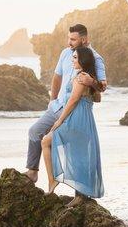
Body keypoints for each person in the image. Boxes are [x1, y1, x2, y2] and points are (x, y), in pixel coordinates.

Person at [23, 24, 107, 185]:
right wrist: (52, 100)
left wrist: (92, 82)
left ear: (84, 39)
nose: (69, 42)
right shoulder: (65, 53)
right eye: (68, 38)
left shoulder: (96, 58)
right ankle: (32, 171)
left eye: (73, 39)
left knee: (71, 149)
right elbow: (57, 77)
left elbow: (102, 86)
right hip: (57, 106)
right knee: (35, 131)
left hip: (74, 111)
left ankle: (78, 190)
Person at [41, 46, 104, 207]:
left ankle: (54, 180)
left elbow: (73, 100)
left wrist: (59, 121)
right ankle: (79, 194)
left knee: (46, 142)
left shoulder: (81, 77)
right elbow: (97, 98)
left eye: (75, 57)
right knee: (79, 154)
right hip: (85, 118)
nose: (72, 59)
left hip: (76, 118)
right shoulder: (87, 77)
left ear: (83, 60)